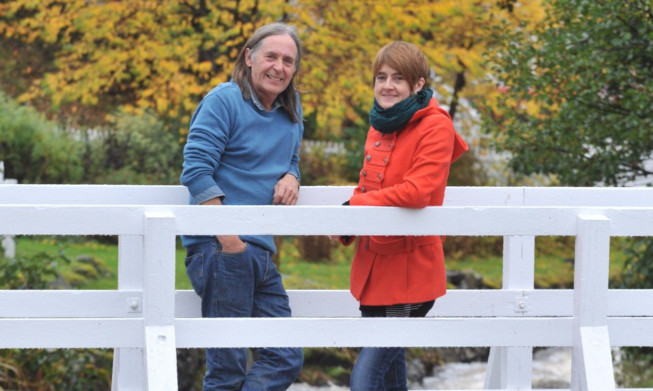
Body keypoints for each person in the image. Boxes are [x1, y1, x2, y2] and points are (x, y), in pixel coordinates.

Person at [335, 41, 468, 390]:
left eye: (398, 78)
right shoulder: (379, 123)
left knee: (363, 382)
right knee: (392, 384)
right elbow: (368, 188)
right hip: (374, 267)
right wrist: (348, 225)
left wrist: (355, 208)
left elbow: (417, 192)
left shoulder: (436, 126)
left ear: (418, 85)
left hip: (411, 274)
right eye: (381, 77)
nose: (387, 85)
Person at [180, 23, 304, 391]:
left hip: (262, 253)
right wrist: (230, 241)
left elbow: (291, 158)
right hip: (221, 250)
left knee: (285, 358)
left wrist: (293, 176)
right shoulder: (224, 100)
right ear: (249, 57)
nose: (279, 67)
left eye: (288, 60)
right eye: (271, 56)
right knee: (226, 371)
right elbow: (196, 170)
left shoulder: (291, 111)